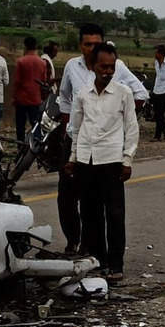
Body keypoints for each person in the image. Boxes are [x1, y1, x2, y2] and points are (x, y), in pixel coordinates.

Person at [57, 23, 147, 255]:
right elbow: (65, 97)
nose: (91, 48)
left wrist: (117, 125)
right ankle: (75, 242)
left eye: (96, 44)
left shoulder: (117, 71)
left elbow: (140, 94)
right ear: (81, 45)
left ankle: (102, 255)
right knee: (71, 199)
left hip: (108, 152)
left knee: (107, 208)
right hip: (79, 144)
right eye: (87, 44)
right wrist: (70, 126)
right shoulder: (71, 67)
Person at [64, 43, 138, 284]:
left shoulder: (123, 93)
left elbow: (131, 128)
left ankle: (116, 264)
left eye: (111, 67)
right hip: (87, 160)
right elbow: (76, 128)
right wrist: (73, 158)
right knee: (90, 213)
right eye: (103, 66)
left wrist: (127, 159)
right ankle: (98, 260)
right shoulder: (83, 94)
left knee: (115, 214)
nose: (107, 71)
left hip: (111, 161)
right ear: (93, 66)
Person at [13, 36, 48, 144]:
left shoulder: (21, 61)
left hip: (21, 99)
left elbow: (17, 82)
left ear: (25, 46)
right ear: (35, 46)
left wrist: (14, 97)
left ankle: (20, 146)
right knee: (35, 125)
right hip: (35, 99)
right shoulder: (42, 63)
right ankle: (35, 147)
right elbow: (43, 81)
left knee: (20, 126)